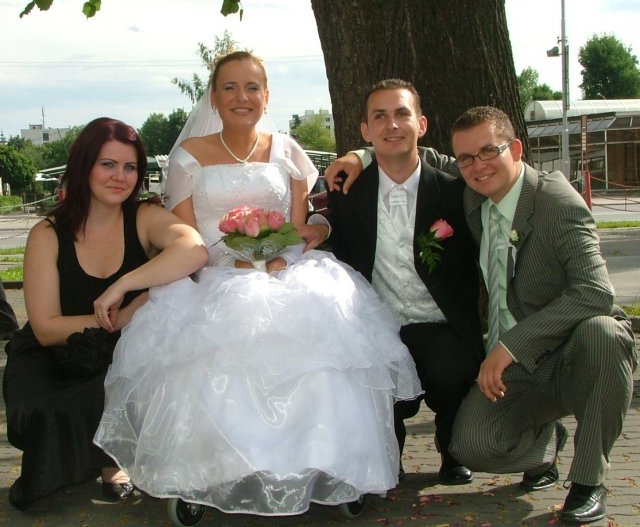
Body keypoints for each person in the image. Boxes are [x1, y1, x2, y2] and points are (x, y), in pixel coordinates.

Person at [93, 51, 423, 516]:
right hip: (214, 275)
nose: (241, 97)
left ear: (267, 96)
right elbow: (189, 238)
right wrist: (235, 264)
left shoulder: (287, 151)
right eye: (229, 87)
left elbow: (298, 228)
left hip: (284, 271)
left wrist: (276, 261)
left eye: (252, 87)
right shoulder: (188, 157)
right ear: (213, 97)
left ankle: (327, 464)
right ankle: (213, 470)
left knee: (320, 338)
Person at [2, 117, 208, 511]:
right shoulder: (47, 233)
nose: (120, 176)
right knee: (43, 406)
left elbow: (195, 250)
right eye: (108, 164)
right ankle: (82, 459)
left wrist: (124, 283)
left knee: (125, 383)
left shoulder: (143, 217)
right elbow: (45, 328)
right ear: (84, 167)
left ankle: (113, 460)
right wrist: (124, 315)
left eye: (130, 167)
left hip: (120, 350)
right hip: (53, 351)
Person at [445, 106, 638, 524]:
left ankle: (588, 481)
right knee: (473, 445)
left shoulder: (555, 202)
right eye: (466, 158)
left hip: (575, 351)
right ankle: (547, 444)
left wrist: (510, 346)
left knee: (605, 333)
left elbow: (595, 291)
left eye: (489, 151)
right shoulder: (474, 198)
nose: (477, 165)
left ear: (515, 149)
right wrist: (361, 156)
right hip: (522, 367)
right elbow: (418, 158)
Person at [325, 79, 484, 484]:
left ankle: (452, 445)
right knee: (368, 376)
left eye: (401, 114)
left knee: (454, 370)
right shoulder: (346, 191)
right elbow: (329, 235)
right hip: (379, 324)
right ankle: (386, 452)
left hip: (439, 322)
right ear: (365, 130)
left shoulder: (455, 190)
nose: (391, 124)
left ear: (421, 124)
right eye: (379, 116)